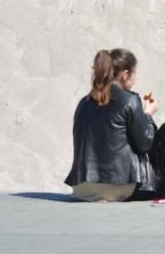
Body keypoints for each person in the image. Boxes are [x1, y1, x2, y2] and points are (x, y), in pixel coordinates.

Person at [64, 49, 159, 201]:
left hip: (81, 188)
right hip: (117, 187)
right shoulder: (130, 100)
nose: (135, 80)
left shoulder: (84, 102)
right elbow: (145, 143)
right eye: (134, 74)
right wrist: (147, 114)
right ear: (125, 74)